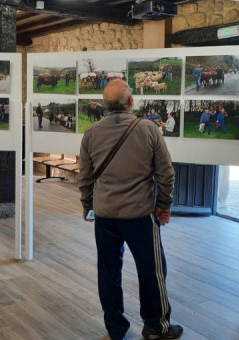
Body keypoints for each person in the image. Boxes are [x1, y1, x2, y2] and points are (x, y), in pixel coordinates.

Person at [78, 79, 182, 340]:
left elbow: (86, 177)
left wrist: (88, 206)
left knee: (108, 272)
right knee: (152, 270)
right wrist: (164, 206)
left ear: (104, 105)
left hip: (105, 216)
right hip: (140, 215)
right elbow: (166, 174)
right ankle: (156, 327)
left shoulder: (91, 133)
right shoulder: (148, 129)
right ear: (132, 102)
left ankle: (115, 329)